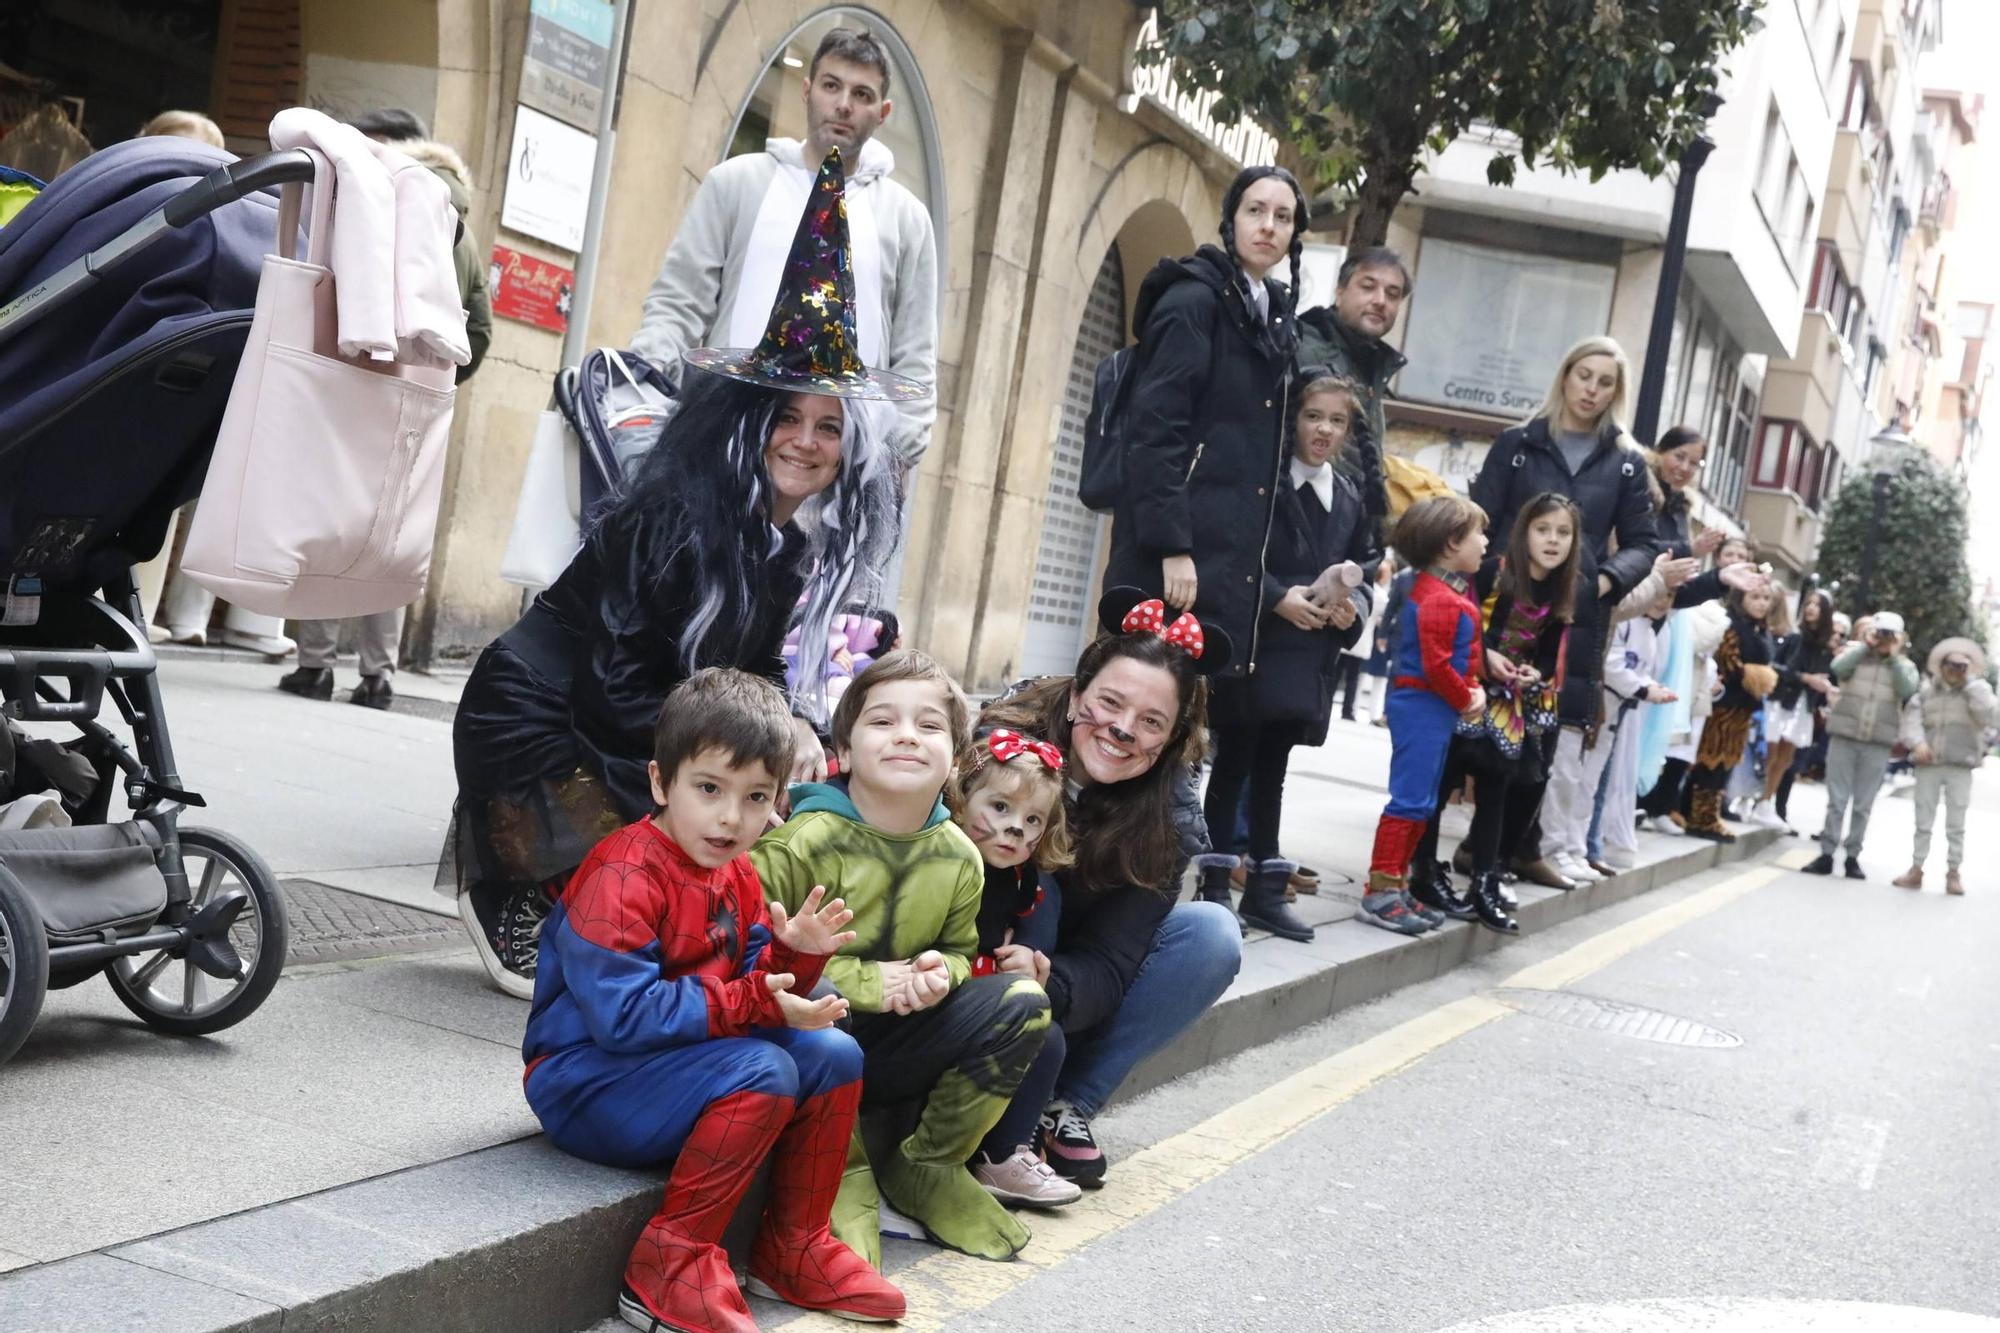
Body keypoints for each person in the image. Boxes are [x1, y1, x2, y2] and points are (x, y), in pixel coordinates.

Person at [447, 152, 911, 997]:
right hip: (542, 721)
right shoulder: (675, 514)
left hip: (636, 729)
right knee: (700, 815)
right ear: (748, 421)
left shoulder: (785, 545)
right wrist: (717, 772)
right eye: (787, 417)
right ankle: (517, 890)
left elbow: (754, 667)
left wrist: (789, 730)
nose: (806, 441)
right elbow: (613, 687)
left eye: (829, 426)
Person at [522, 668, 905, 1333]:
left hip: (675, 1065)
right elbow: (622, 1017)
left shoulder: (736, 872)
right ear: (659, 782)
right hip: (583, 1080)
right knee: (769, 1068)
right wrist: (758, 995)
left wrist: (796, 959)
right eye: (709, 789)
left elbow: (753, 981)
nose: (731, 817)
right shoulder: (624, 873)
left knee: (834, 1053)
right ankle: (667, 1264)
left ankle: (794, 1245)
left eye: (756, 796)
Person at [753, 650, 1049, 1265]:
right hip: (805, 1048)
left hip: (897, 1045)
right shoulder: (799, 844)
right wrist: (864, 981)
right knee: (816, 1018)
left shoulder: (961, 856)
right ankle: (843, 1172)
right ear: (847, 743)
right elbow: (750, 956)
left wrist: (943, 973)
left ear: (956, 757)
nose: (907, 736)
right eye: (883, 721)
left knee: (1023, 1002)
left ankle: (928, 1166)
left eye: (930, 726)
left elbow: (964, 951)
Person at [978, 590, 1243, 1191]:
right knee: (1030, 848)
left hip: (1067, 979)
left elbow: (1112, 962)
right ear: (1076, 697)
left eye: (1151, 721)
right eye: (1110, 703)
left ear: (1172, 739)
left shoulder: (1167, 817)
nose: (1122, 729)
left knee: (1213, 934)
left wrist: (1053, 981)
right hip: (977, 950)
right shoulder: (1001, 743)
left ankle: (1063, 1104)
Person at [631, 26, 936, 473]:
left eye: (862, 93)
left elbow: (916, 355)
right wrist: (644, 382)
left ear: (883, 111)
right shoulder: (736, 183)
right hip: (722, 450)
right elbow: (677, 304)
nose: (844, 104)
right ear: (808, 90)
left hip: (845, 467)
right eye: (832, 86)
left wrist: (896, 460)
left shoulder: (906, 219)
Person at [279, 107, 492, 710]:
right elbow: (480, 327)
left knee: (329, 517)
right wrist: (438, 373)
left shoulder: (381, 197)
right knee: (391, 532)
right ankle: (378, 675)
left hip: (350, 381)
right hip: (419, 402)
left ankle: (315, 665)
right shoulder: (463, 227)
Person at [1102, 163, 1309, 689]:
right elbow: (1155, 431)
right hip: (1173, 557)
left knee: (1190, 726)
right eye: (1255, 211)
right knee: (1139, 708)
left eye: (1282, 217)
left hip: (1224, 558)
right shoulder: (1194, 301)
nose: (1268, 226)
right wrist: (1172, 545)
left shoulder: (1270, 316)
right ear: (1230, 220)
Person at [1469, 337, 1662, 886]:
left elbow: (1644, 542)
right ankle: (1479, 850)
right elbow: (1479, 517)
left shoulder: (1626, 462)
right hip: (1503, 610)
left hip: (1573, 620)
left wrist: (1602, 581)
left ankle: (1521, 847)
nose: (1592, 390)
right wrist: (1490, 582)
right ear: (1565, 376)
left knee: (1545, 739)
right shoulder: (1518, 444)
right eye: (1584, 375)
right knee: (1484, 733)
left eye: (1606, 382)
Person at [1193, 376, 1371, 941]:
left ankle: (1266, 891)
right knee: (1232, 762)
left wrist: (1351, 613)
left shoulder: (1348, 496)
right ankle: (1216, 888)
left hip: (1308, 654)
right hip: (1257, 644)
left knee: (1274, 769)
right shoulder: (1261, 485)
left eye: (1336, 421)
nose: (1323, 430)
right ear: (1292, 418)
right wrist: (1276, 598)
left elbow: (1364, 563)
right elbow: (1228, 555)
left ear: (1347, 430)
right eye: (1313, 416)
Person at [1411, 494, 1581, 932]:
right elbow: (1463, 623)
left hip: (1510, 704)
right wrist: (1486, 656)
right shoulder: (1493, 571)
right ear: (1524, 531)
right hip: (1466, 690)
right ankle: (1424, 871)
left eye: (1563, 533)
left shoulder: (1563, 590)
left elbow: (1548, 652)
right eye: (1543, 530)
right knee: (1442, 781)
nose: (1552, 540)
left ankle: (1485, 878)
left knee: (1498, 789)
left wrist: (1533, 673)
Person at [944, 726, 1080, 1208]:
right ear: (962, 798)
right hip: (931, 988)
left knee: (1047, 1036)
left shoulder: (1020, 878)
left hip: (980, 989)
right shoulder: (942, 854)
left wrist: (1023, 956)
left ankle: (1002, 1154)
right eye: (1000, 808)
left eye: (1033, 819)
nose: (1016, 828)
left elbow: (1010, 933)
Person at [1363, 495, 1489, 935]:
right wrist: (1467, 698)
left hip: (1426, 706)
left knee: (1421, 801)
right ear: (1451, 542)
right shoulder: (1440, 598)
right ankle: (1381, 889)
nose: (1486, 542)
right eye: (1479, 534)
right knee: (1412, 800)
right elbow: (1438, 665)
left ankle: (1394, 885)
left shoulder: (1432, 590)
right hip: (1423, 706)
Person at [1295, 246, 1413, 531]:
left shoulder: (1370, 364)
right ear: (1339, 291)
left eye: (1392, 294)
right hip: (1304, 526)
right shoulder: (1306, 351)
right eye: (1368, 287)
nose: (1380, 301)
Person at [1805, 611, 1920, 878]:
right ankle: (1826, 853)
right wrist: (1865, 646)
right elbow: (1837, 669)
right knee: (1837, 799)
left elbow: (1906, 689)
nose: (1884, 639)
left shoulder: (1904, 666)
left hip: (1878, 741)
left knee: (1863, 804)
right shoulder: (1854, 655)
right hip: (1845, 734)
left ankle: (1852, 856)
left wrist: (1892, 656)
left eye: (1890, 635)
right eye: (1880, 633)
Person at [1893, 638, 1995, 896]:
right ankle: (1916, 869)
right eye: (1950, 664)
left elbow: (1992, 716)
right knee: (1923, 818)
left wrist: (1972, 685)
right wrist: (1917, 743)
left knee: (1956, 821)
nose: (1955, 670)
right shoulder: (1927, 692)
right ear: (1941, 664)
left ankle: (1953, 872)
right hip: (1929, 763)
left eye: (1961, 665)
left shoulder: (1978, 690)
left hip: (1961, 764)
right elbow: (1911, 721)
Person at [1683, 584, 1779, 841]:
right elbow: (1729, 662)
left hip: (1744, 707)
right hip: (1723, 705)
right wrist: (1758, 676)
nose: (1761, 603)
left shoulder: (1761, 630)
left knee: (1727, 761)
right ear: (1741, 597)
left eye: (1766, 598)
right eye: (1755, 595)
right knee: (1711, 759)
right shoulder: (1731, 624)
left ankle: (1710, 815)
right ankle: (1700, 816)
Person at [1596, 582, 1679, 870]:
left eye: (1668, 595)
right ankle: (1591, 842)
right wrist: (1643, 690)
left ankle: (1603, 839)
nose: (1662, 601)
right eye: (1657, 593)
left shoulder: (1655, 632)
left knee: (1620, 776)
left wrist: (1650, 689)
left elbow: (1644, 673)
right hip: (1609, 708)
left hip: (1632, 716)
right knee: (1596, 778)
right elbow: (1615, 666)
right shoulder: (1626, 622)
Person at [1750, 589, 1836, 831]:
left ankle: (1765, 801)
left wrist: (1822, 686)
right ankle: (1756, 797)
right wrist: (1806, 678)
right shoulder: (1794, 637)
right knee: (1770, 751)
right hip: (1781, 701)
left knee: (1786, 757)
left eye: (1817, 605)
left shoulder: (1825, 647)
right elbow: (1776, 668)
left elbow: (1823, 677)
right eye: (1809, 603)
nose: (1810, 608)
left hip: (1803, 705)